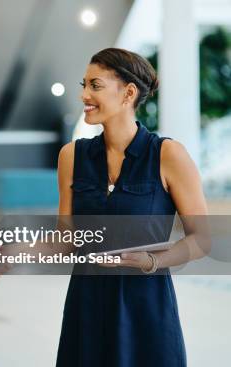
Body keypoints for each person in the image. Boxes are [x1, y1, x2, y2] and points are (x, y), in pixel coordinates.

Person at [55, 48, 209, 366]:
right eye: (83, 85)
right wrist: (5, 255)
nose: (84, 94)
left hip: (147, 312)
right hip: (87, 310)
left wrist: (152, 260)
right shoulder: (71, 157)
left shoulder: (168, 155)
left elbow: (202, 239)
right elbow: (65, 239)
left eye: (95, 85)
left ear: (128, 93)